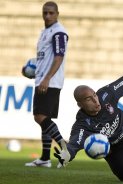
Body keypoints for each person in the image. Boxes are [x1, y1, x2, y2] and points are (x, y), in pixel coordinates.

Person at [23, 1, 69, 168]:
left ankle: (64, 145)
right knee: (45, 119)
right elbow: (45, 58)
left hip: (50, 82)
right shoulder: (45, 32)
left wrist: (47, 78)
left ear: (57, 13)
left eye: (51, 13)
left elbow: (59, 57)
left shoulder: (59, 33)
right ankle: (44, 158)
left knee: (39, 117)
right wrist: (33, 72)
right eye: (45, 12)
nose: (48, 15)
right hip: (42, 79)